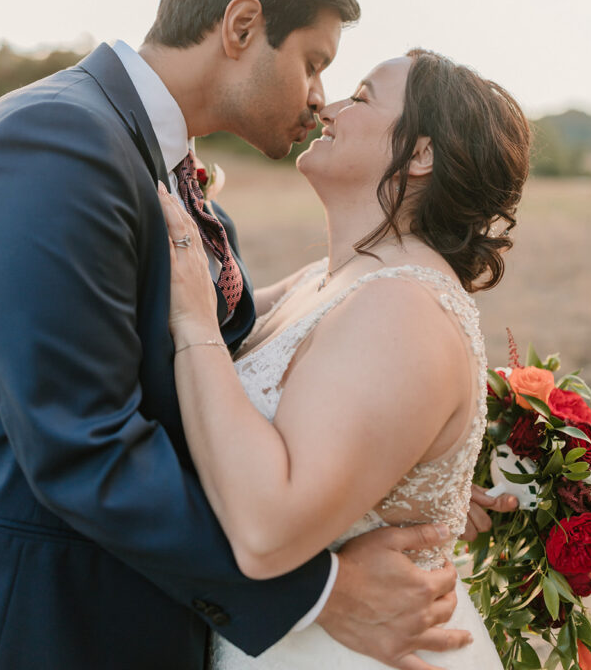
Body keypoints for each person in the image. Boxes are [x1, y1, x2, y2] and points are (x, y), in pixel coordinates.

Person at [0, 0, 511, 670]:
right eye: (313, 62)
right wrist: (322, 590)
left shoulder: (177, 184)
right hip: (49, 621)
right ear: (241, 26)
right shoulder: (52, 144)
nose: (318, 98)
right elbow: (80, 442)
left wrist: (392, 476)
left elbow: (242, 398)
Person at [158, 48, 532, 669]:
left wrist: (192, 319)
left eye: (359, 98)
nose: (327, 107)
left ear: (420, 154)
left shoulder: (405, 311)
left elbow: (266, 531)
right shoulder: (328, 280)